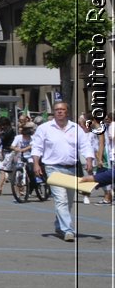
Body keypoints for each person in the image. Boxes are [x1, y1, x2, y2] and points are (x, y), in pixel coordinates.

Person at [31, 101, 96, 242]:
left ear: (67, 112)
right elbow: (37, 147)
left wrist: (89, 160)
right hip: (53, 168)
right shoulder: (44, 128)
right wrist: (36, 163)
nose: (59, 112)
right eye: (57, 110)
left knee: (69, 201)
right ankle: (68, 230)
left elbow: (85, 145)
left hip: (71, 168)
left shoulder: (76, 128)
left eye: (62, 109)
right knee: (61, 200)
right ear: (53, 112)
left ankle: (59, 225)